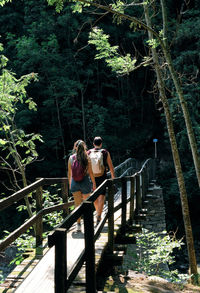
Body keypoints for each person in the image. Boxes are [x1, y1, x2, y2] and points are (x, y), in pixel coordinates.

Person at [68, 139, 96, 232]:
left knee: (77, 204)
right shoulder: (87, 158)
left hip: (74, 183)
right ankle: (88, 225)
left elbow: (70, 174)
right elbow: (90, 172)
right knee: (87, 204)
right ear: (84, 147)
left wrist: (70, 184)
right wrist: (94, 183)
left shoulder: (71, 158)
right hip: (85, 182)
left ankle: (78, 225)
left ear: (75, 147)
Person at [88, 136, 115, 225]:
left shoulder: (88, 152)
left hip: (92, 178)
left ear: (93, 144)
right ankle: (99, 215)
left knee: (94, 197)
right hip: (102, 177)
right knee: (101, 197)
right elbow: (111, 167)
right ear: (101, 143)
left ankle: (98, 214)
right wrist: (113, 178)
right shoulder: (105, 152)